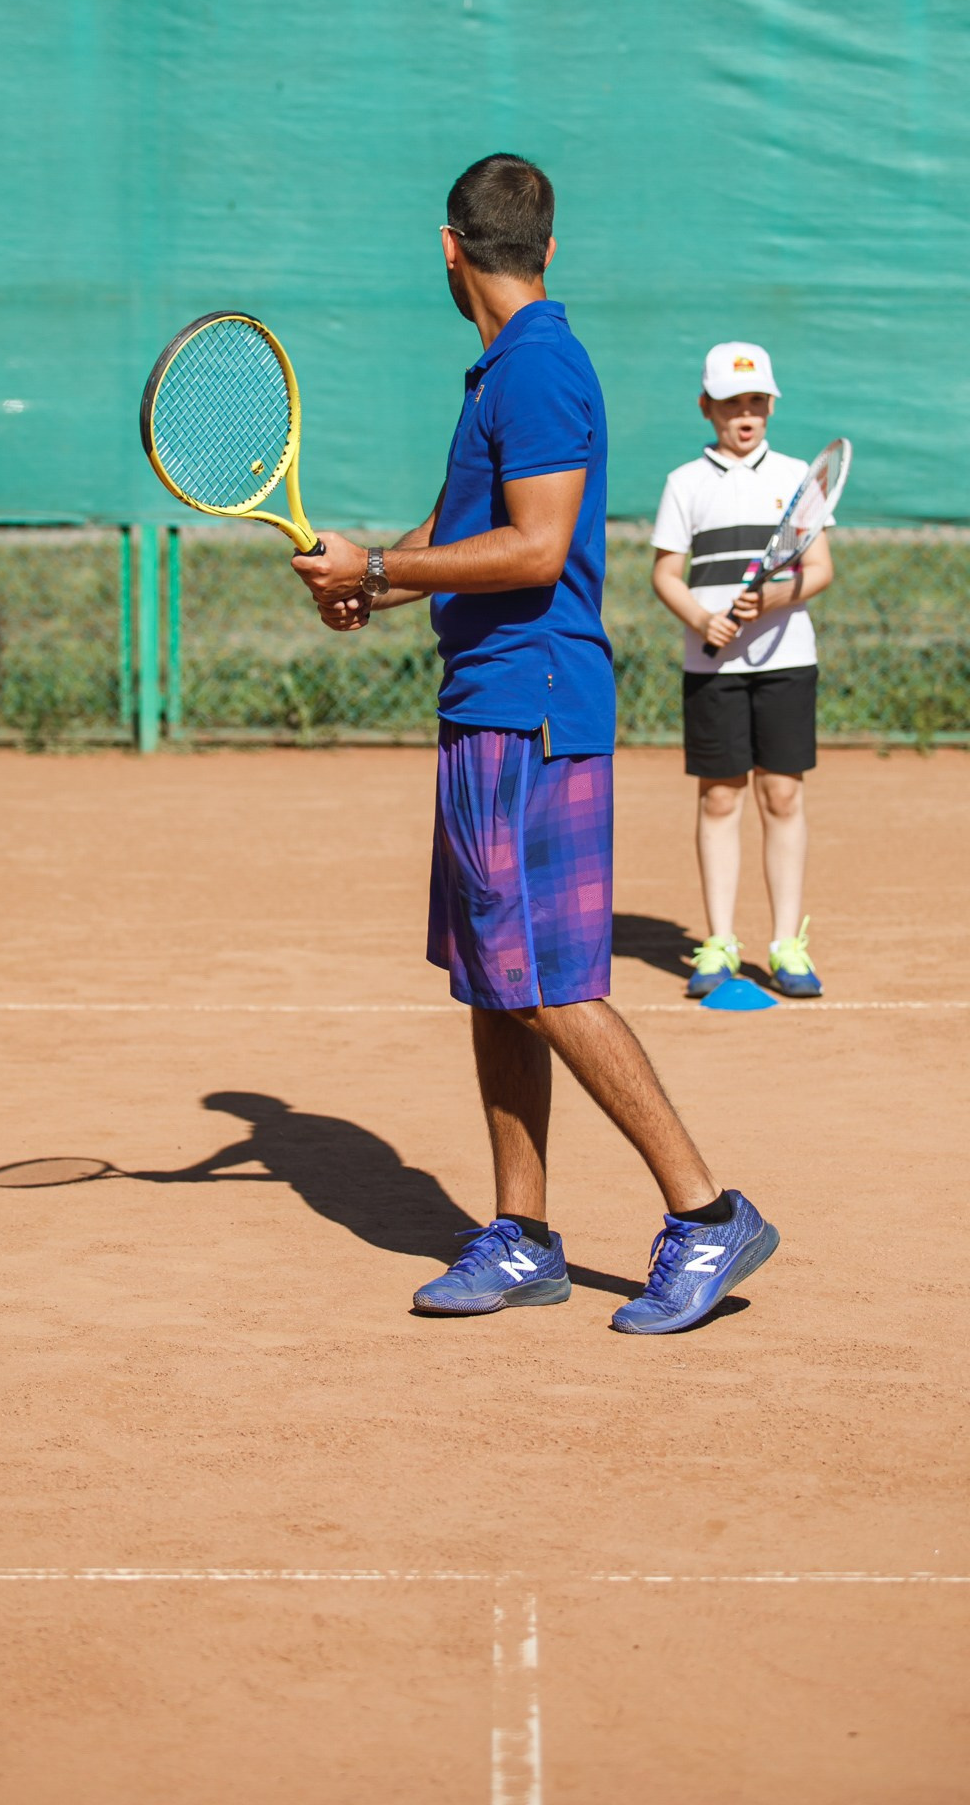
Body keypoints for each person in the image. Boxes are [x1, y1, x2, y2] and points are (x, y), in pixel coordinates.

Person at [291, 153, 778, 1334]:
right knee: (492, 986)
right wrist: (380, 584)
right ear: (544, 249)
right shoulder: (503, 370)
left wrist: (381, 567)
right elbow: (473, 530)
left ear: (447, 247)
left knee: (548, 985)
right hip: (484, 703)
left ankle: (706, 1216)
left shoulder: (541, 367)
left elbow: (535, 546)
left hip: (535, 711)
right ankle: (521, 1235)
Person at [650, 344, 835, 999]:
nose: (745, 414)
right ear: (707, 408)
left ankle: (787, 942)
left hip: (787, 661)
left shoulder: (797, 477)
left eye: (756, 401)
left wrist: (777, 599)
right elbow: (665, 574)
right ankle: (719, 941)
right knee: (721, 795)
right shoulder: (684, 483)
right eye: (731, 402)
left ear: (771, 406)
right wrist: (703, 622)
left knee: (781, 794)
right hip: (712, 666)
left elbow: (819, 570)